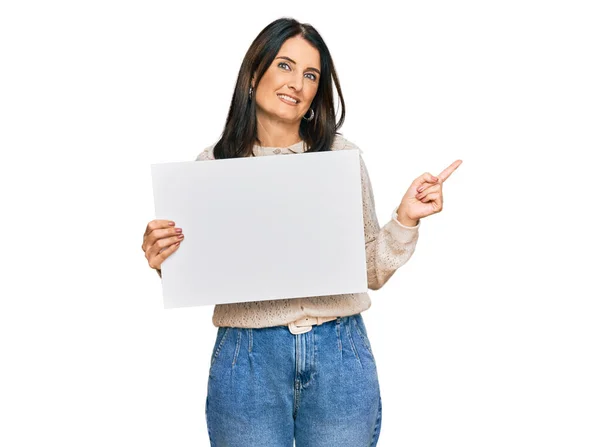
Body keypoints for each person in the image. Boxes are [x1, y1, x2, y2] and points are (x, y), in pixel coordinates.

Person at [141, 17, 461, 447]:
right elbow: (204, 271)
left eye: (310, 75)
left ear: (316, 92)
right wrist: (164, 260)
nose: (297, 82)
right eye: (285, 66)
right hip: (247, 359)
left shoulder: (340, 158)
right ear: (255, 74)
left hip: (340, 354)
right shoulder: (212, 168)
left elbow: (369, 271)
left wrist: (405, 219)